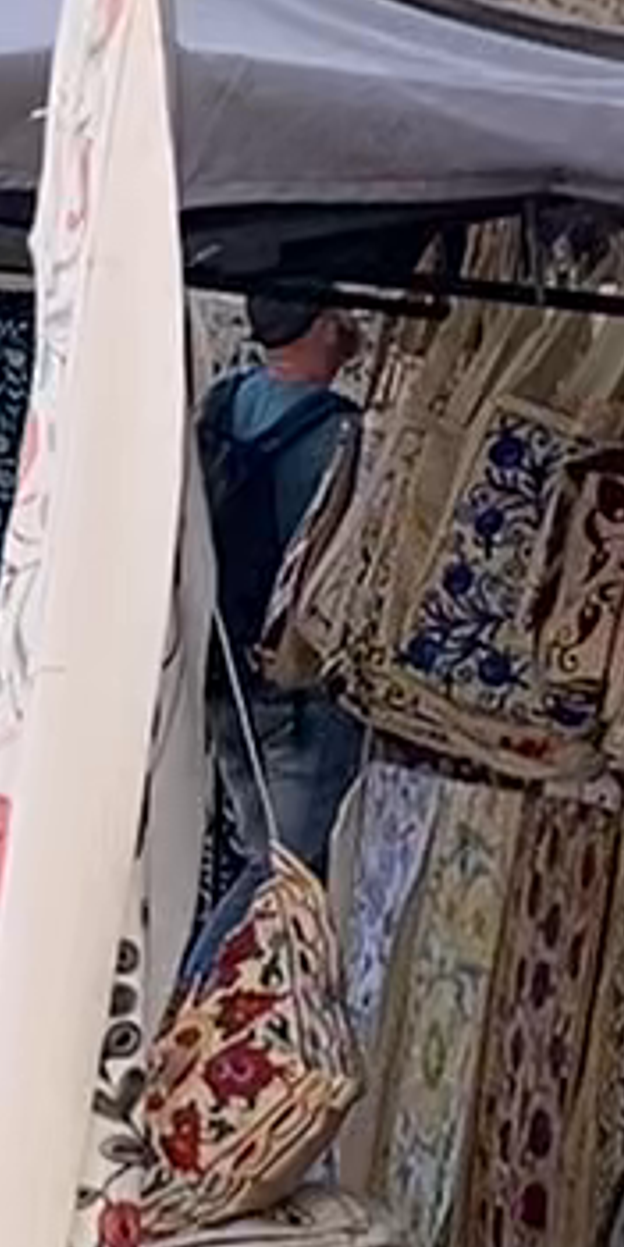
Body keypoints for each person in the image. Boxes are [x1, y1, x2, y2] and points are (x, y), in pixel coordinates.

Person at [197, 268, 365, 874]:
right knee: (287, 882)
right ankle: (206, 970)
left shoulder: (221, 406)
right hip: (297, 690)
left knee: (259, 860)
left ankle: (228, 966)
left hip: (224, 677)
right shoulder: (342, 435)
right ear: (323, 326)